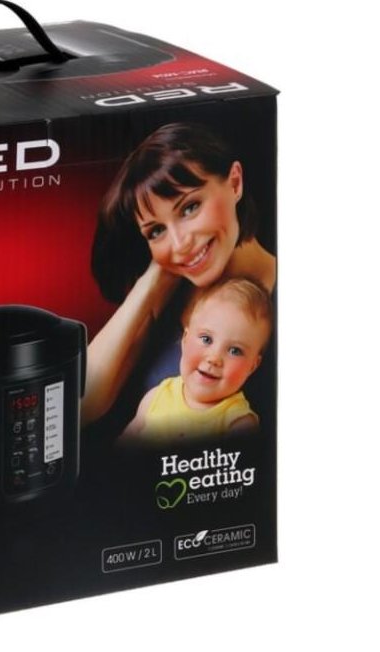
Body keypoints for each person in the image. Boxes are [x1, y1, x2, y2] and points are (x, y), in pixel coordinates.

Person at [86, 122, 276, 427]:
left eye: (189, 208)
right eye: (156, 231)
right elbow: (80, 405)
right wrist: (153, 278)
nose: (179, 244)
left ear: (235, 183)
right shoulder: (168, 294)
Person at [120, 278, 272, 442]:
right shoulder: (157, 396)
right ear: (185, 339)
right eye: (206, 339)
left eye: (235, 350)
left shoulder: (237, 424)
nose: (214, 358)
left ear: (252, 366)